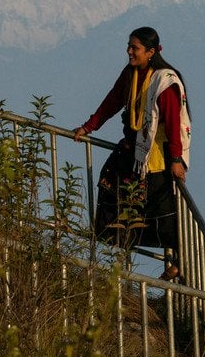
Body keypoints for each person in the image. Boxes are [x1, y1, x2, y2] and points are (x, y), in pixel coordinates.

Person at [74, 27, 191, 276]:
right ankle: (119, 251)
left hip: (157, 156)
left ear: (151, 52)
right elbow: (113, 101)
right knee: (114, 192)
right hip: (133, 149)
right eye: (129, 46)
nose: (129, 52)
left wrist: (177, 159)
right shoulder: (131, 74)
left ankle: (181, 262)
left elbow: (172, 122)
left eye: (134, 48)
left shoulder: (165, 82)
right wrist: (89, 126)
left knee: (162, 209)